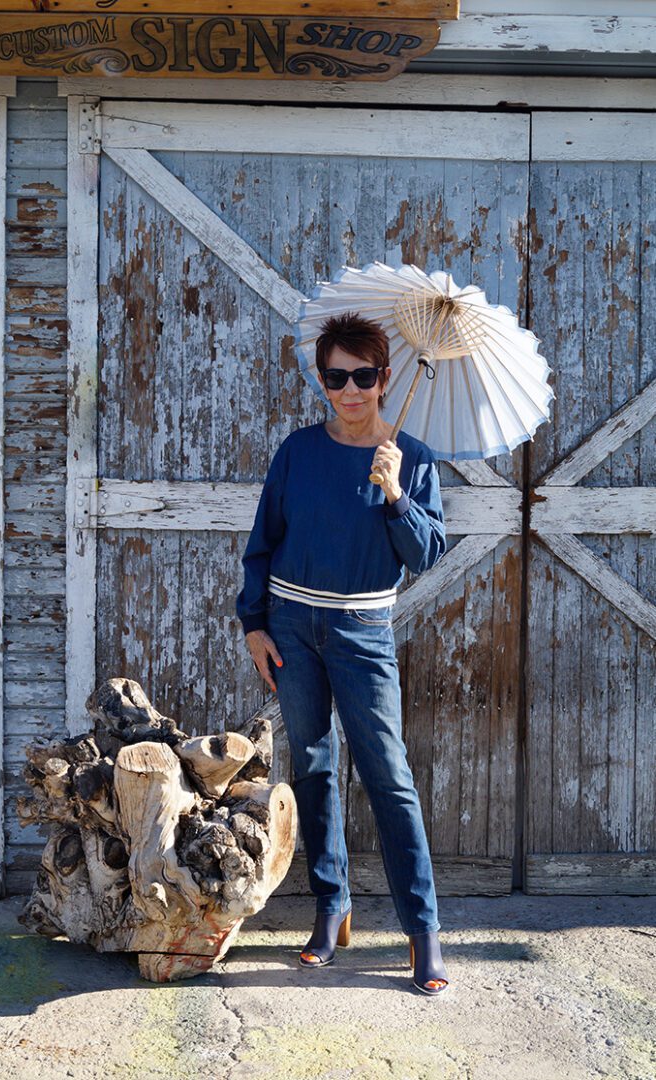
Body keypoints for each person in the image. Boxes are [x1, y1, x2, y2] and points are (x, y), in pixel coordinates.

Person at [235, 312, 449, 995]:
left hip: (362, 633)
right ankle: (333, 908)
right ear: (322, 378)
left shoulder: (410, 458)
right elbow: (263, 540)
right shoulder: (298, 452)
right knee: (315, 766)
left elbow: (423, 555)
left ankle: (422, 930)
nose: (350, 390)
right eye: (336, 377)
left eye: (363, 376)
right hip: (292, 626)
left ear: (384, 379)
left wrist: (393, 492)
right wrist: (254, 625)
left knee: (388, 776)